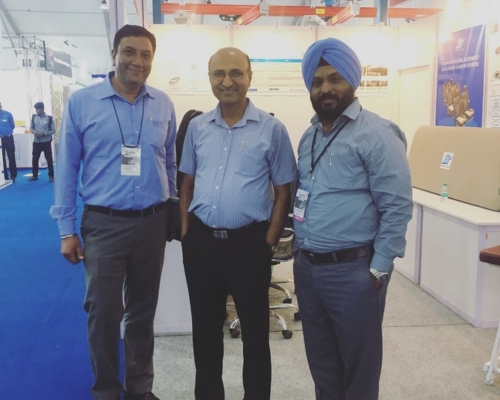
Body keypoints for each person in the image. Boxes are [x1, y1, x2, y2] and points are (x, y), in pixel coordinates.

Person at [50, 24, 177, 400]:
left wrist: (171, 211)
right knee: (103, 313)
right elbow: (67, 167)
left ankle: (140, 389)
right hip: (104, 224)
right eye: (129, 52)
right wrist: (66, 229)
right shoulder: (83, 102)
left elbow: (169, 161)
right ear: (114, 54)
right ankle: (106, 389)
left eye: (145, 54)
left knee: (142, 311)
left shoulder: (162, 104)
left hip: (152, 223)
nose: (137, 61)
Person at [293, 38, 413, 400]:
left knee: (359, 371)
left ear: (352, 80)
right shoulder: (309, 136)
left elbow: (397, 206)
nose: (326, 89)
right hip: (308, 269)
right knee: (323, 367)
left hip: (354, 272)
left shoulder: (377, 133)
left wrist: (379, 268)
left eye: (335, 78)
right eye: (317, 81)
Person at [179, 47, 297, 400]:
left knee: (256, 335)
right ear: (210, 78)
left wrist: (268, 242)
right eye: (219, 73)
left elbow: (284, 190)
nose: (227, 82)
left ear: (249, 77)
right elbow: (186, 183)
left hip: (250, 245)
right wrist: (187, 234)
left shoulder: (272, 129)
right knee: (204, 333)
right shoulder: (197, 127)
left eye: (235, 73)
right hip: (201, 243)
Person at [29, 102, 55, 182]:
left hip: (46, 142)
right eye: (36, 109)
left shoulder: (49, 118)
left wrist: (44, 134)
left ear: (43, 109)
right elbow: (31, 128)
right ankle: (34, 175)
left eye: (38, 109)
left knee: (49, 159)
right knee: (35, 159)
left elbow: (53, 131)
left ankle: (51, 176)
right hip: (36, 142)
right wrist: (35, 132)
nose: (37, 111)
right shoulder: (34, 117)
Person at [0, 102, 17, 183]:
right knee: (1, 158)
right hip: (0, 140)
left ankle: (13, 175)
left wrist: (6, 132)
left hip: (8, 138)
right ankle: (4, 176)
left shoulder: (8, 114)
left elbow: (12, 126)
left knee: (11, 157)